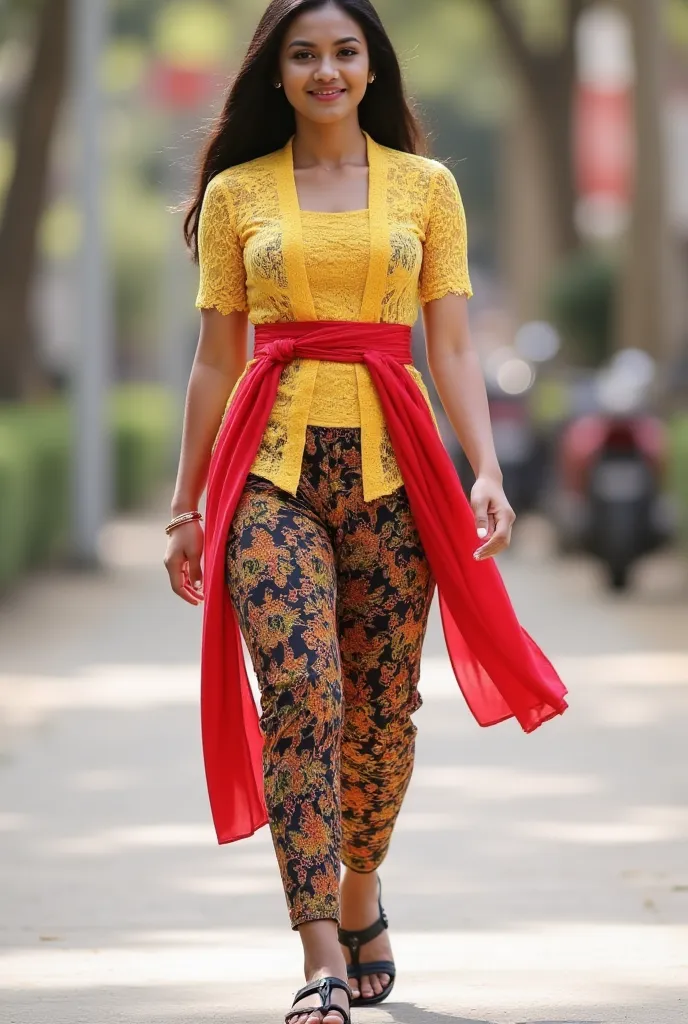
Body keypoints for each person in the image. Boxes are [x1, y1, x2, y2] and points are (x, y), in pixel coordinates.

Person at [164, 2, 568, 1022]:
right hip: (267, 472)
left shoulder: (426, 188)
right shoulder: (236, 194)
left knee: (383, 710)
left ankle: (359, 891)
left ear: (373, 68)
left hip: (396, 471)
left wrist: (485, 466)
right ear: (275, 73)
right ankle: (320, 960)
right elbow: (215, 357)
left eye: (344, 52)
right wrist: (183, 509)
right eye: (304, 54)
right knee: (304, 695)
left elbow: (457, 346)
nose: (326, 70)